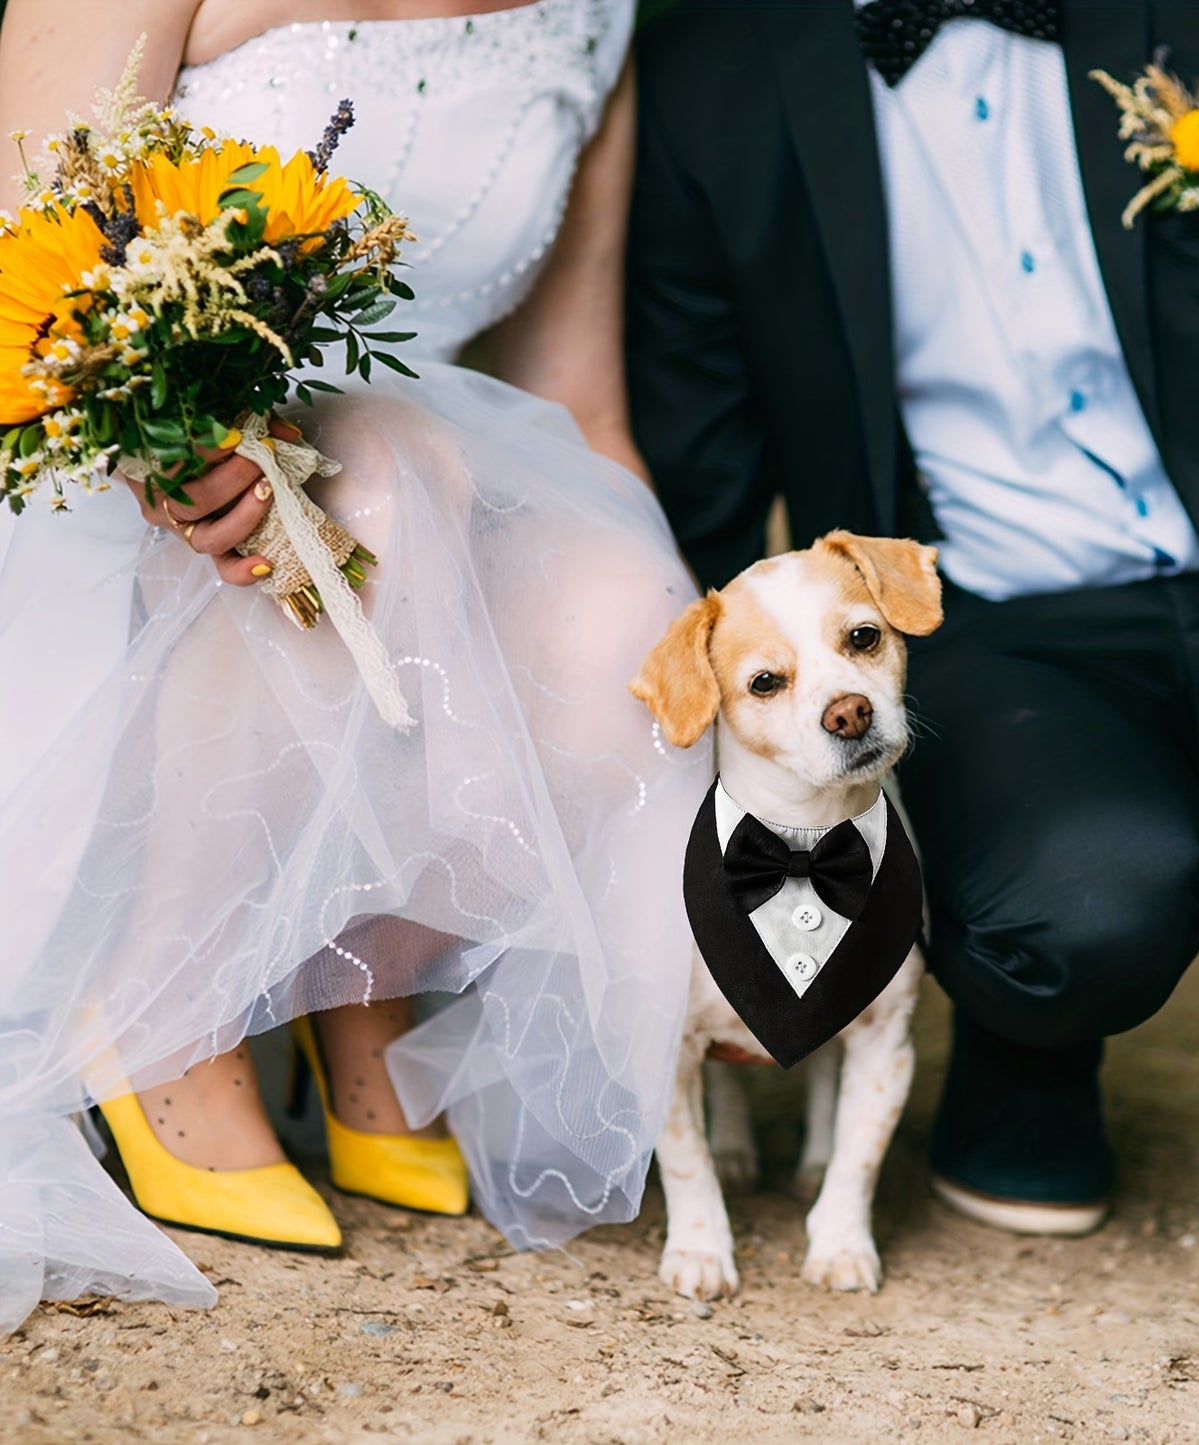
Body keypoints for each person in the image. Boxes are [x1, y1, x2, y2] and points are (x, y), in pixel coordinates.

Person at [626, 0, 1199, 1288]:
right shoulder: (707, 68)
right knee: (1079, 910)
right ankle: (1028, 1056)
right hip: (1005, 653)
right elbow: (700, 494)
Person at [0, 0, 710, 1333]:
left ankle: (366, 979)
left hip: (424, 461)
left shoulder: (591, 16)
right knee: (373, 481)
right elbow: (25, 266)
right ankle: (162, 1008)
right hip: (109, 488)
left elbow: (580, 398)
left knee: (615, 604)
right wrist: (170, 450)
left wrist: (692, 644)